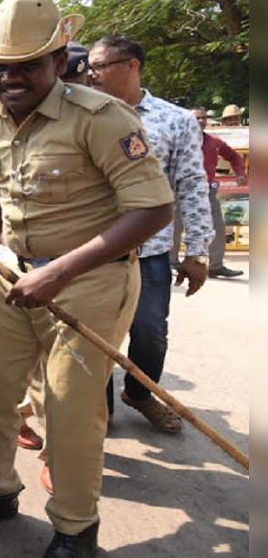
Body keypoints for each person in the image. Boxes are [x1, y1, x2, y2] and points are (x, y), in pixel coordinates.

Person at [0, 0, 176, 558]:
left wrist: (59, 272)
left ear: (58, 63)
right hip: (16, 275)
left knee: (68, 411)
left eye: (28, 66)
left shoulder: (103, 117)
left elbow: (153, 208)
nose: (11, 78)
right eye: (1, 67)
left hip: (91, 280)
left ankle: (74, 528)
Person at [89, 35, 213, 432]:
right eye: (89, 66)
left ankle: (139, 394)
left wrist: (198, 250)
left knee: (150, 333)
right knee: (94, 336)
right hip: (93, 250)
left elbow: (192, 184)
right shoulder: (83, 113)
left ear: (132, 65)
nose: (92, 74)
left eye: (101, 66)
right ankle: (99, 411)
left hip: (151, 250)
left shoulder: (174, 120)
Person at [172, 108, 246, 278]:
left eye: (203, 118)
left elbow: (234, 156)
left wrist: (240, 173)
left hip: (206, 190)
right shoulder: (177, 140)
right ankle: (172, 262)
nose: (200, 121)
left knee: (217, 227)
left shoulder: (214, 142)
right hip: (179, 189)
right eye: (197, 118)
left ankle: (215, 265)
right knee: (175, 227)